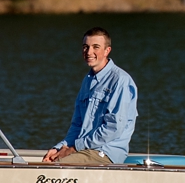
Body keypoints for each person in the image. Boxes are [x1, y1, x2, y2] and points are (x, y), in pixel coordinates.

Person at [44, 27, 137, 165]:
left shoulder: (120, 80)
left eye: (96, 47)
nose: (89, 52)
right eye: (85, 47)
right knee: (48, 161)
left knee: (56, 167)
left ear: (107, 51)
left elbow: (113, 128)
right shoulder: (87, 80)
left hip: (105, 153)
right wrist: (59, 147)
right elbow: (77, 125)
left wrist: (73, 149)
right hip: (84, 149)